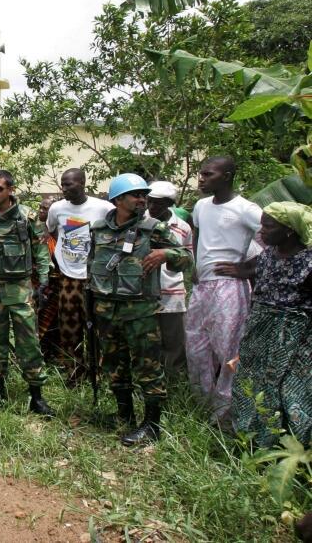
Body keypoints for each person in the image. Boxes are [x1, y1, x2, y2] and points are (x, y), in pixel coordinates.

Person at [87, 174, 193, 446]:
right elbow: (92, 266)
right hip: (106, 310)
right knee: (114, 364)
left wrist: (166, 254)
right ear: (118, 200)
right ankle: (124, 415)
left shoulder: (153, 229)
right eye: (136, 195)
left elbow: (186, 259)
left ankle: (152, 425)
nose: (142, 199)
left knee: (148, 367)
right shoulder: (98, 229)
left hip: (140, 313)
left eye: (144, 195)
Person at [219, 203, 312, 448]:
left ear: (289, 230)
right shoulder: (268, 254)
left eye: (268, 226)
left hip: (292, 337)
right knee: (249, 384)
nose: (261, 232)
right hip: (259, 330)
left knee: (289, 391)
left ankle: (289, 449)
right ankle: (249, 441)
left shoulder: (308, 262)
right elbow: (254, 275)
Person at [0, 169, 55, 416]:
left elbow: (40, 250)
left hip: (20, 289)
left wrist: (43, 281)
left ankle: (37, 397)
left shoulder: (26, 217)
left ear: (10, 190)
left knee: (29, 343)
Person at [187, 156, 263, 427]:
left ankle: (226, 415)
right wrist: (196, 263)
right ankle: (202, 406)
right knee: (196, 347)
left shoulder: (246, 209)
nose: (202, 179)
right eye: (201, 174)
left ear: (227, 176)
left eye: (208, 174)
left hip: (228, 288)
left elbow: (277, 237)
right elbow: (197, 234)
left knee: (228, 351)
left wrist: (247, 268)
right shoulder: (201, 206)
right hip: (202, 287)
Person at [45, 168, 113, 385]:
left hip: (95, 278)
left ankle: (99, 375)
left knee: (98, 328)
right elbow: (52, 231)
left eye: (69, 184)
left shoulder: (103, 208)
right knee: (69, 327)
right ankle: (74, 373)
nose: (64, 189)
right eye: (62, 184)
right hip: (68, 277)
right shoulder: (57, 208)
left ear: (82, 183)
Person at [145, 181, 193, 379]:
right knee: (146, 342)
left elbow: (188, 259)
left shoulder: (182, 227)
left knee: (173, 342)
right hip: (143, 294)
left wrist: (167, 254)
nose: (152, 207)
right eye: (150, 201)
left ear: (169, 203)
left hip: (171, 293)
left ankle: (173, 382)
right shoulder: (138, 222)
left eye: (158, 203)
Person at [35, 197, 62, 364]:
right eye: (40, 207)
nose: (41, 211)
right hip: (41, 285)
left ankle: (56, 356)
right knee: (39, 322)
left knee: (58, 323)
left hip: (61, 286)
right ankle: (42, 356)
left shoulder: (63, 232)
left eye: (45, 209)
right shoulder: (35, 230)